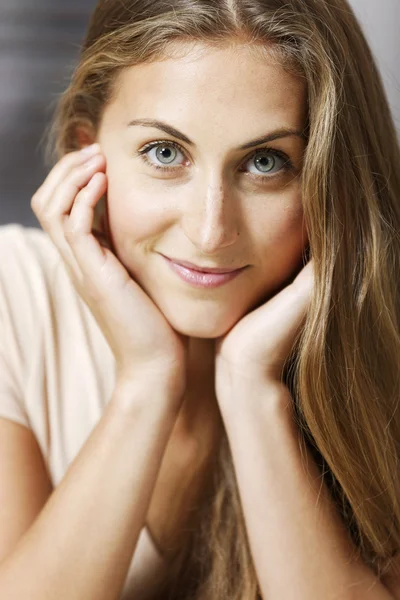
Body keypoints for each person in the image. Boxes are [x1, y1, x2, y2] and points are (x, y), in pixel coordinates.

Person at [0, 1, 399, 599]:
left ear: (330, 180)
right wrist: (147, 381)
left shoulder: (383, 347)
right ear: (88, 155)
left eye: (266, 163)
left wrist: (252, 390)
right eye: (165, 153)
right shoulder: (16, 296)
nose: (211, 232)